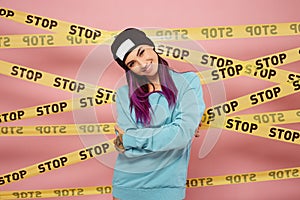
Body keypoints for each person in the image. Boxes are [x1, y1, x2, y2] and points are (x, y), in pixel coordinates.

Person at [110, 28, 205, 200]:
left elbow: (182, 135)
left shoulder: (189, 82)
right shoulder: (124, 94)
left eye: (142, 52)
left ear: (151, 47)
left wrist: (130, 139)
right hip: (127, 185)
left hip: (168, 187)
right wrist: (170, 130)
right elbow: (124, 148)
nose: (142, 63)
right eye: (132, 63)